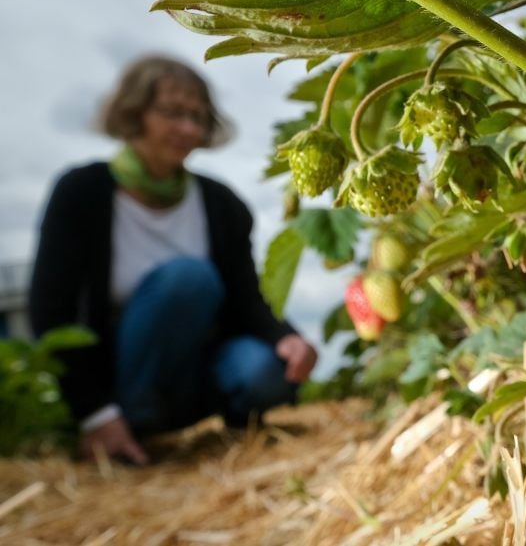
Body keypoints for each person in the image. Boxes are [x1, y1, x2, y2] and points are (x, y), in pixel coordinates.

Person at [29, 55, 317, 465]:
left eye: (199, 118)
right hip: (119, 380)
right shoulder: (81, 193)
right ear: (134, 113)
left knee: (268, 371)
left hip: (198, 374)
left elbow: (244, 298)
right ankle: (135, 428)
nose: (189, 129)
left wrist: (284, 336)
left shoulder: (221, 205)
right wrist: (95, 413)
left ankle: (224, 431)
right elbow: (50, 312)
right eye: (173, 113)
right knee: (188, 280)